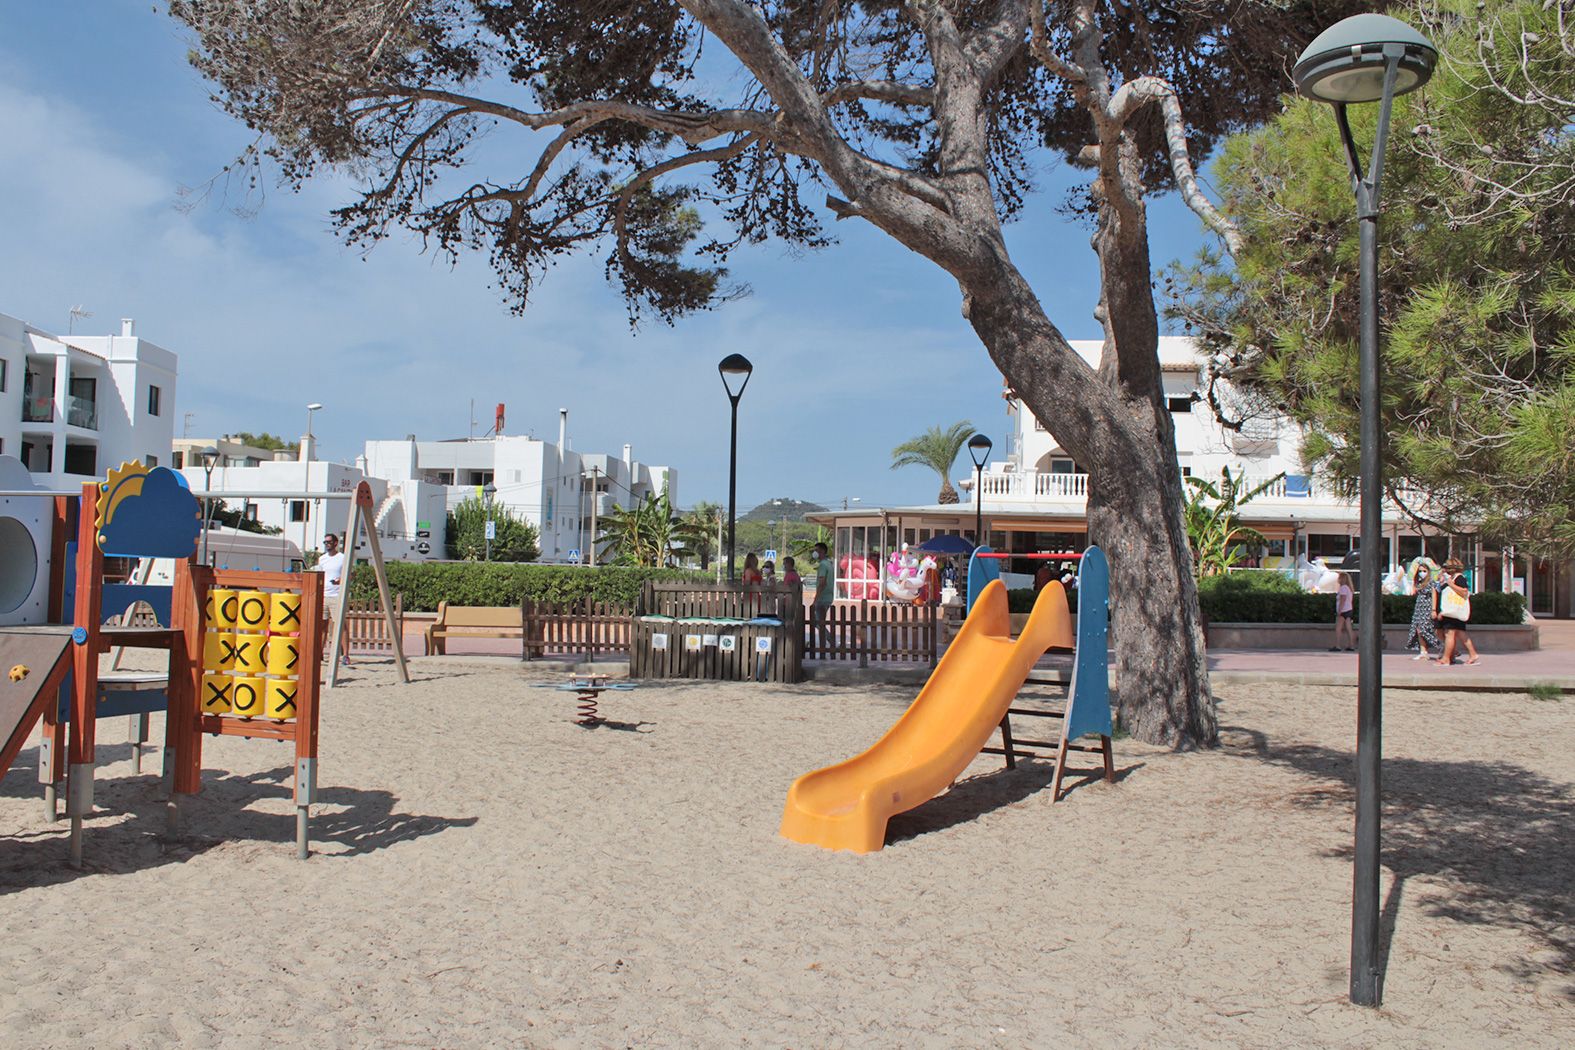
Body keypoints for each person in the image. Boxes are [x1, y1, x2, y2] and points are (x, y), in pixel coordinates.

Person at [1434, 558, 1481, 665]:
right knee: (1460, 634)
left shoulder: (1459, 578)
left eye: (1447, 567)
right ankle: (1471, 654)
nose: (1445, 569)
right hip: (1452, 611)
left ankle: (1446, 658)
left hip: (1454, 611)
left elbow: (1464, 592)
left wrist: (1451, 584)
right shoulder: (1451, 578)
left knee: (1449, 634)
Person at [318, 532, 351, 665]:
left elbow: (351, 574)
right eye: (325, 542)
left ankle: (346, 655)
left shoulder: (342, 558)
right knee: (322, 626)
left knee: (341, 625)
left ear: (335, 543)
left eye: (329, 542)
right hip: (324, 595)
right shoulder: (322, 559)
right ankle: (319, 653)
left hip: (337, 595)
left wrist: (340, 580)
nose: (327, 545)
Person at [1405, 562, 1442, 660]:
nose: (1422, 573)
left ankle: (1441, 646)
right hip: (1419, 608)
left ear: (1428, 572)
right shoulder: (1419, 583)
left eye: (1424, 571)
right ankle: (1423, 652)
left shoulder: (1431, 582)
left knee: (1424, 629)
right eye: (1420, 571)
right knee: (1418, 629)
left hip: (1427, 608)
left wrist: (1433, 610)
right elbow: (1413, 593)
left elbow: (1434, 595)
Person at [810, 541, 835, 649]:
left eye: (817, 550)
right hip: (828, 597)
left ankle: (830, 641)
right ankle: (827, 642)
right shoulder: (829, 563)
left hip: (823, 598)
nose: (815, 552)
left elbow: (822, 583)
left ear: (823, 551)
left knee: (818, 622)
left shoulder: (823, 565)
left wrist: (816, 599)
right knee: (820, 622)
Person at [1331, 571, 1356, 652]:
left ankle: (1337, 645)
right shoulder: (1349, 588)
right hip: (1349, 609)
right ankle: (1351, 645)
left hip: (1343, 610)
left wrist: (1339, 610)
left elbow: (1343, 599)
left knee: (1338, 628)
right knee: (1349, 628)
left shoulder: (1343, 588)